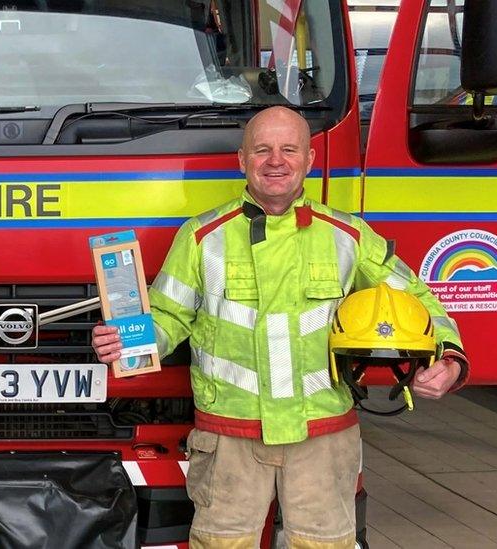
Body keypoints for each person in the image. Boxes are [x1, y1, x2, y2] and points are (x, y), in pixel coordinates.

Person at [91, 106, 467, 548]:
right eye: (262, 149)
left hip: (322, 436)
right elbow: (169, 316)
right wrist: (127, 340)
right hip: (230, 438)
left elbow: (417, 300)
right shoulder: (201, 236)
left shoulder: (348, 235)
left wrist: (450, 357)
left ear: (309, 160)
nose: (275, 160)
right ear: (241, 160)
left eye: (289, 149)